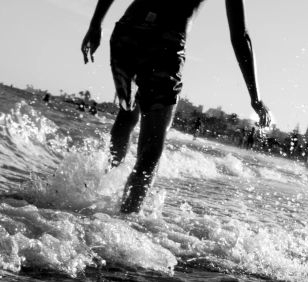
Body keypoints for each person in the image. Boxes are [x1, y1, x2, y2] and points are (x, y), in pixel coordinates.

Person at [81, 0, 271, 213]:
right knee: (151, 149)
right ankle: (123, 219)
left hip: (128, 30)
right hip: (164, 40)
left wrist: (96, 23)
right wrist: (256, 98)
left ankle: (102, 187)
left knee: (127, 115)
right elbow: (240, 36)